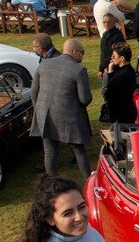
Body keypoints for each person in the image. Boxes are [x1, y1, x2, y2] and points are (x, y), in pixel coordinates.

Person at [31, 38, 93, 176]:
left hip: (44, 114)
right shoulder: (78, 70)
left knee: (50, 152)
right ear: (75, 52)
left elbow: (34, 91)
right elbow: (85, 99)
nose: (82, 56)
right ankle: (88, 181)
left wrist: (38, 109)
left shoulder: (44, 64)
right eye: (82, 53)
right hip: (68, 117)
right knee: (78, 150)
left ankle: (51, 182)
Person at [100, 42, 137, 125]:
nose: (112, 57)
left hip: (120, 114)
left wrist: (109, 72)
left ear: (122, 58)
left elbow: (107, 94)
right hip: (128, 109)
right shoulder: (130, 70)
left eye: (114, 55)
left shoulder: (120, 75)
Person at [97, 13, 126, 82]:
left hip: (114, 68)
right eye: (104, 22)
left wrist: (111, 66)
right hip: (106, 67)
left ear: (113, 22)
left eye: (109, 22)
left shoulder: (117, 36)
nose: (106, 24)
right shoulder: (105, 35)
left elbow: (121, 53)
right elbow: (103, 53)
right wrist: (101, 69)